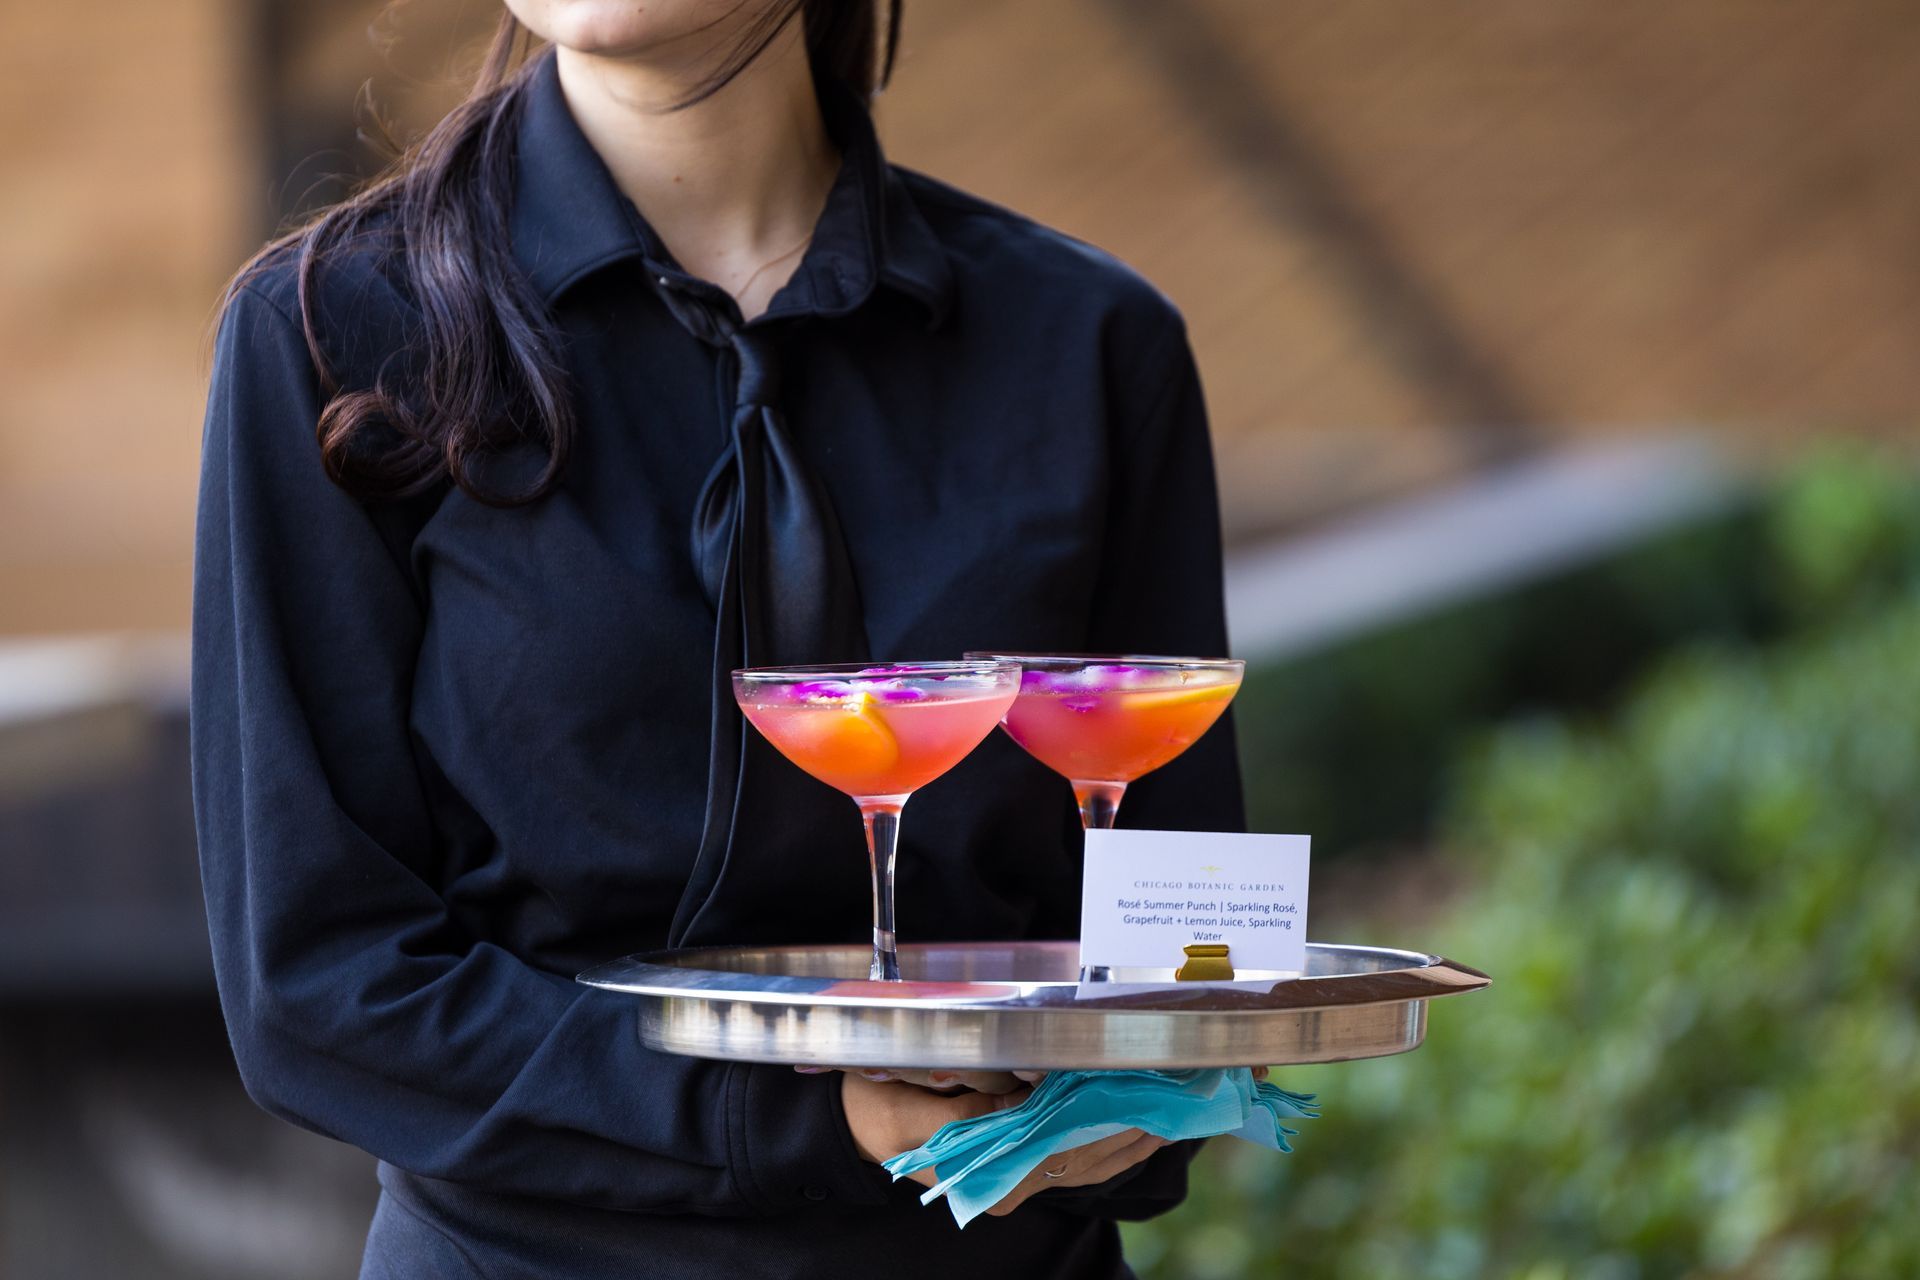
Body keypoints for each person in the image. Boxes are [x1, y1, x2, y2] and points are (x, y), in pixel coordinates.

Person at [191, 2, 1243, 1276]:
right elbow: (318, 986)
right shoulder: (333, 336)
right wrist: (796, 1115)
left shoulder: (1087, 343)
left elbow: (1190, 932)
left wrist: (1155, 1090)